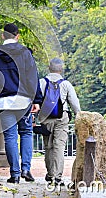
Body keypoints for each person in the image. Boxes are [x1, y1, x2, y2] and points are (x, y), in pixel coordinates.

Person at [0, 23, 43, 184]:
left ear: (3, 36)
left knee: (9, 137)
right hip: (23, 100)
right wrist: (37, 99)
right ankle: (26, 169)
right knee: (26, 133)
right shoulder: (25, 53)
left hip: (4, 101)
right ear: (17, 36)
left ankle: (15, 174)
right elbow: (32, 77)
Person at [37, 57, 81, 186]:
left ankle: (50, 174)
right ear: (61, 70)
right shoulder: (65, 84)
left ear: (49, 68)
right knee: (59, 146)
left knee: (48, 146)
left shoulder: (41, 82)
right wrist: (79, 115)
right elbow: (74, 103)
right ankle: (57, 177)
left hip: (45, 118)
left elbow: (34, 101)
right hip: (62, 118)